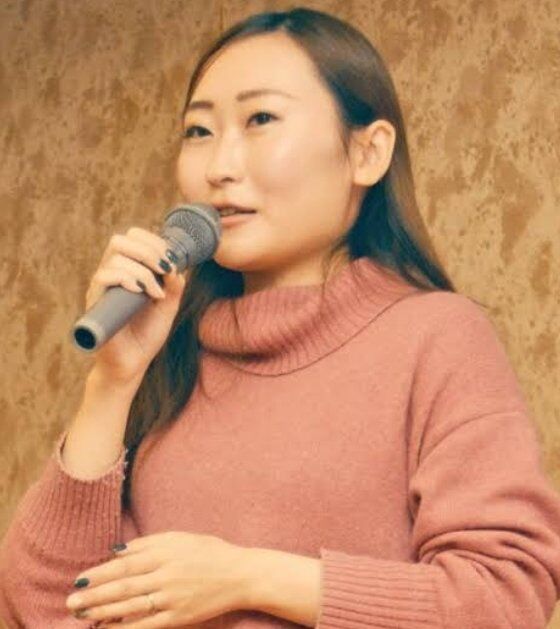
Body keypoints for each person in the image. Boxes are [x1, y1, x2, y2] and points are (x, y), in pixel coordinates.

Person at [1, 6, 560, 628]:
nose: (219, 166)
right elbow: (43, 608)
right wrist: (112, 382)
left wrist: (249, 578)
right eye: (198, 131)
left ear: (367, 152)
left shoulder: (437, 337)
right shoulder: (167, 352)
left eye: (261, 119)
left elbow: (504, 597)